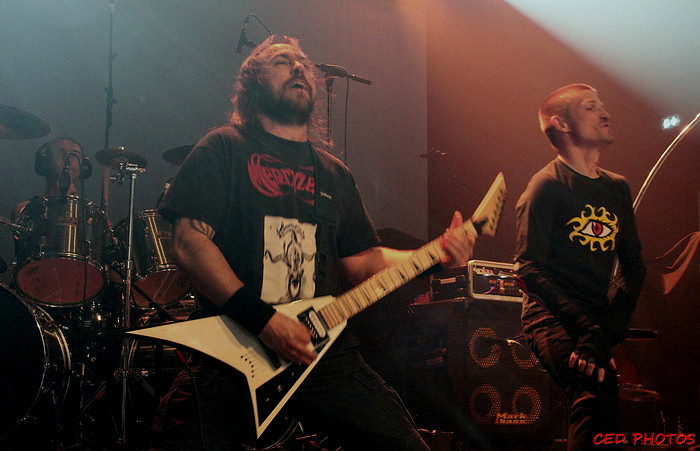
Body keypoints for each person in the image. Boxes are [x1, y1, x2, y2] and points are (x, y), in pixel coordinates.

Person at [151, 35, 475, 450]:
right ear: (252, 82)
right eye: (282, 61)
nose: (298, 68)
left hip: (322, 350)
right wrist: (264, 321)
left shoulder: (333, 173)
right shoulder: (224, 147)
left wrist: (435, 255)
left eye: (303, 63)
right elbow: (189, 242)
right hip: (235, 343)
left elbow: (361, 260)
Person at [514, 84, 646, 450]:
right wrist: (587, 328)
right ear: (561, 123)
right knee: (594, 391)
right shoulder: (546, 186)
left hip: (597, 321)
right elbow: (528, 268)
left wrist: (610, 326)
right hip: (551, 317)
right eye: (591, 107)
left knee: (605, 407)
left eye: (602, 105)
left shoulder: (617, 188)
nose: (605, 113)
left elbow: (634, 265)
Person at [11, 136, 89, 219]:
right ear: (45, 162)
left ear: (84, 166)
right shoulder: (24, 210)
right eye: (60, 153)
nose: (68, 159)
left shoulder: (89, 214)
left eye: (75, 155)